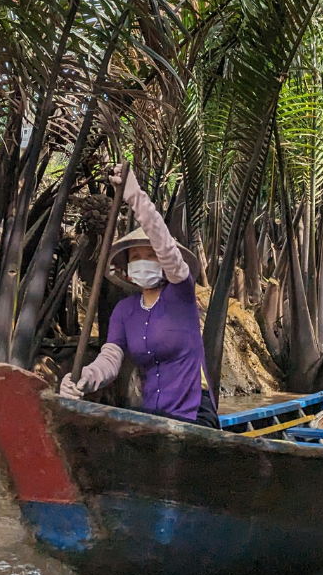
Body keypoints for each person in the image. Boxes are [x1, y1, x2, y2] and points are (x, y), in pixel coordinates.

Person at [59, 163, 218, 427]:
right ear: (128, 270)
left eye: (150, 256)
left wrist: (133, 194)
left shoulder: (181, 294)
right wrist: (83, 379)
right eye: (136, 257)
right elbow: (110, 359)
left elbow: (164, 244)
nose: (144, 261)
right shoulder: (125, 310)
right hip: (152, 419)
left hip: (193, 417)